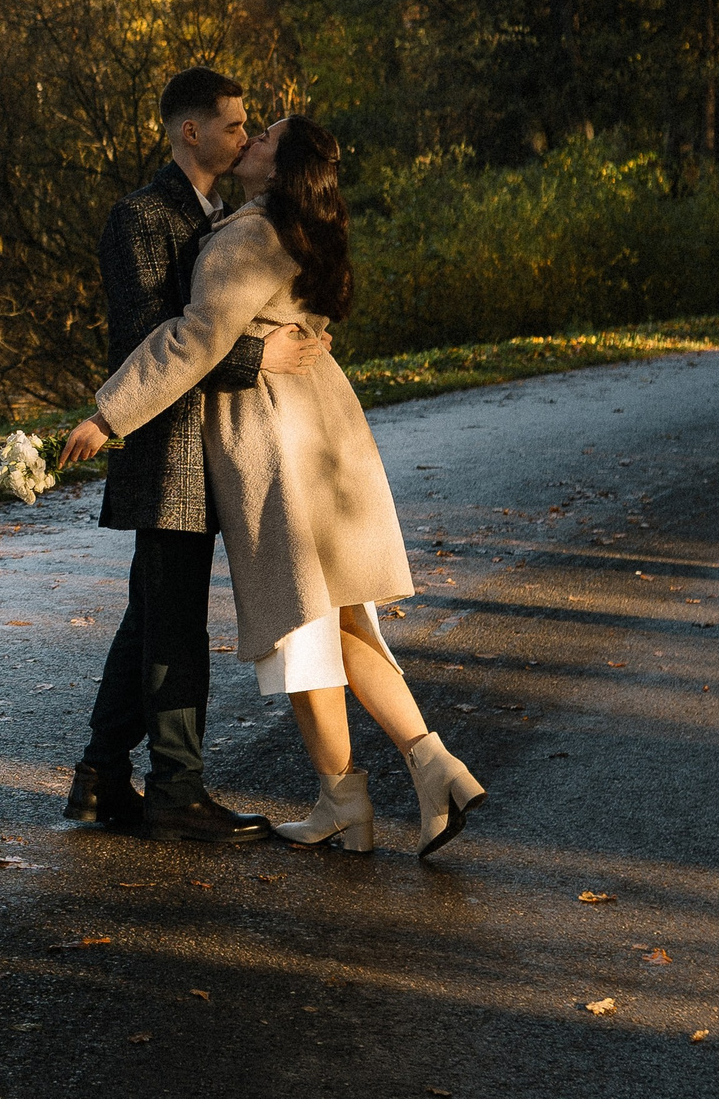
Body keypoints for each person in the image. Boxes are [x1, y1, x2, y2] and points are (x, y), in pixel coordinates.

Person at [62, 115, 485, 856]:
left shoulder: (248, 235)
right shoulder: (301, 227)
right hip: (330, 438)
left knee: (303, 631)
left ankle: (345, 801)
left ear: (278, 166)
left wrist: (110, 413)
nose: (249, 139)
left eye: (262, 138)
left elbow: (194, 338)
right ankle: (430, 763)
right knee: (349, 623)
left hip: (279, 444)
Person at [64, 68, 334, 845]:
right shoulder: (139, 217)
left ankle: (100, 778)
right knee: (174, 623)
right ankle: (176, 792)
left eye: (252, 128)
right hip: (166, 448)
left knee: (152, 615)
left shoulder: (233, 213)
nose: (246, 137)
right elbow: (151, 339)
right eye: (234, 126)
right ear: (191, 131)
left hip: (213, 444)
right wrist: (257, 356)